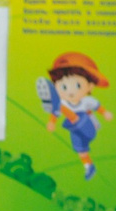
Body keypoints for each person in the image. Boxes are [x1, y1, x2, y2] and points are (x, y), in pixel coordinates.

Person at [37, 52, 111, 180]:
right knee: (80, 150)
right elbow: (55, 114)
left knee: (76, 116)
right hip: (75, 130)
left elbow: (97, 107)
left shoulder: (86, 101)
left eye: (77, 85)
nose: (70, 92)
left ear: (90, 86)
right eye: (63, 87)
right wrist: (52, 122)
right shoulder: (64, 102)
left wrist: (105, 113)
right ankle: (88, 166)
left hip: (89, 126)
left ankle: (54, 101)